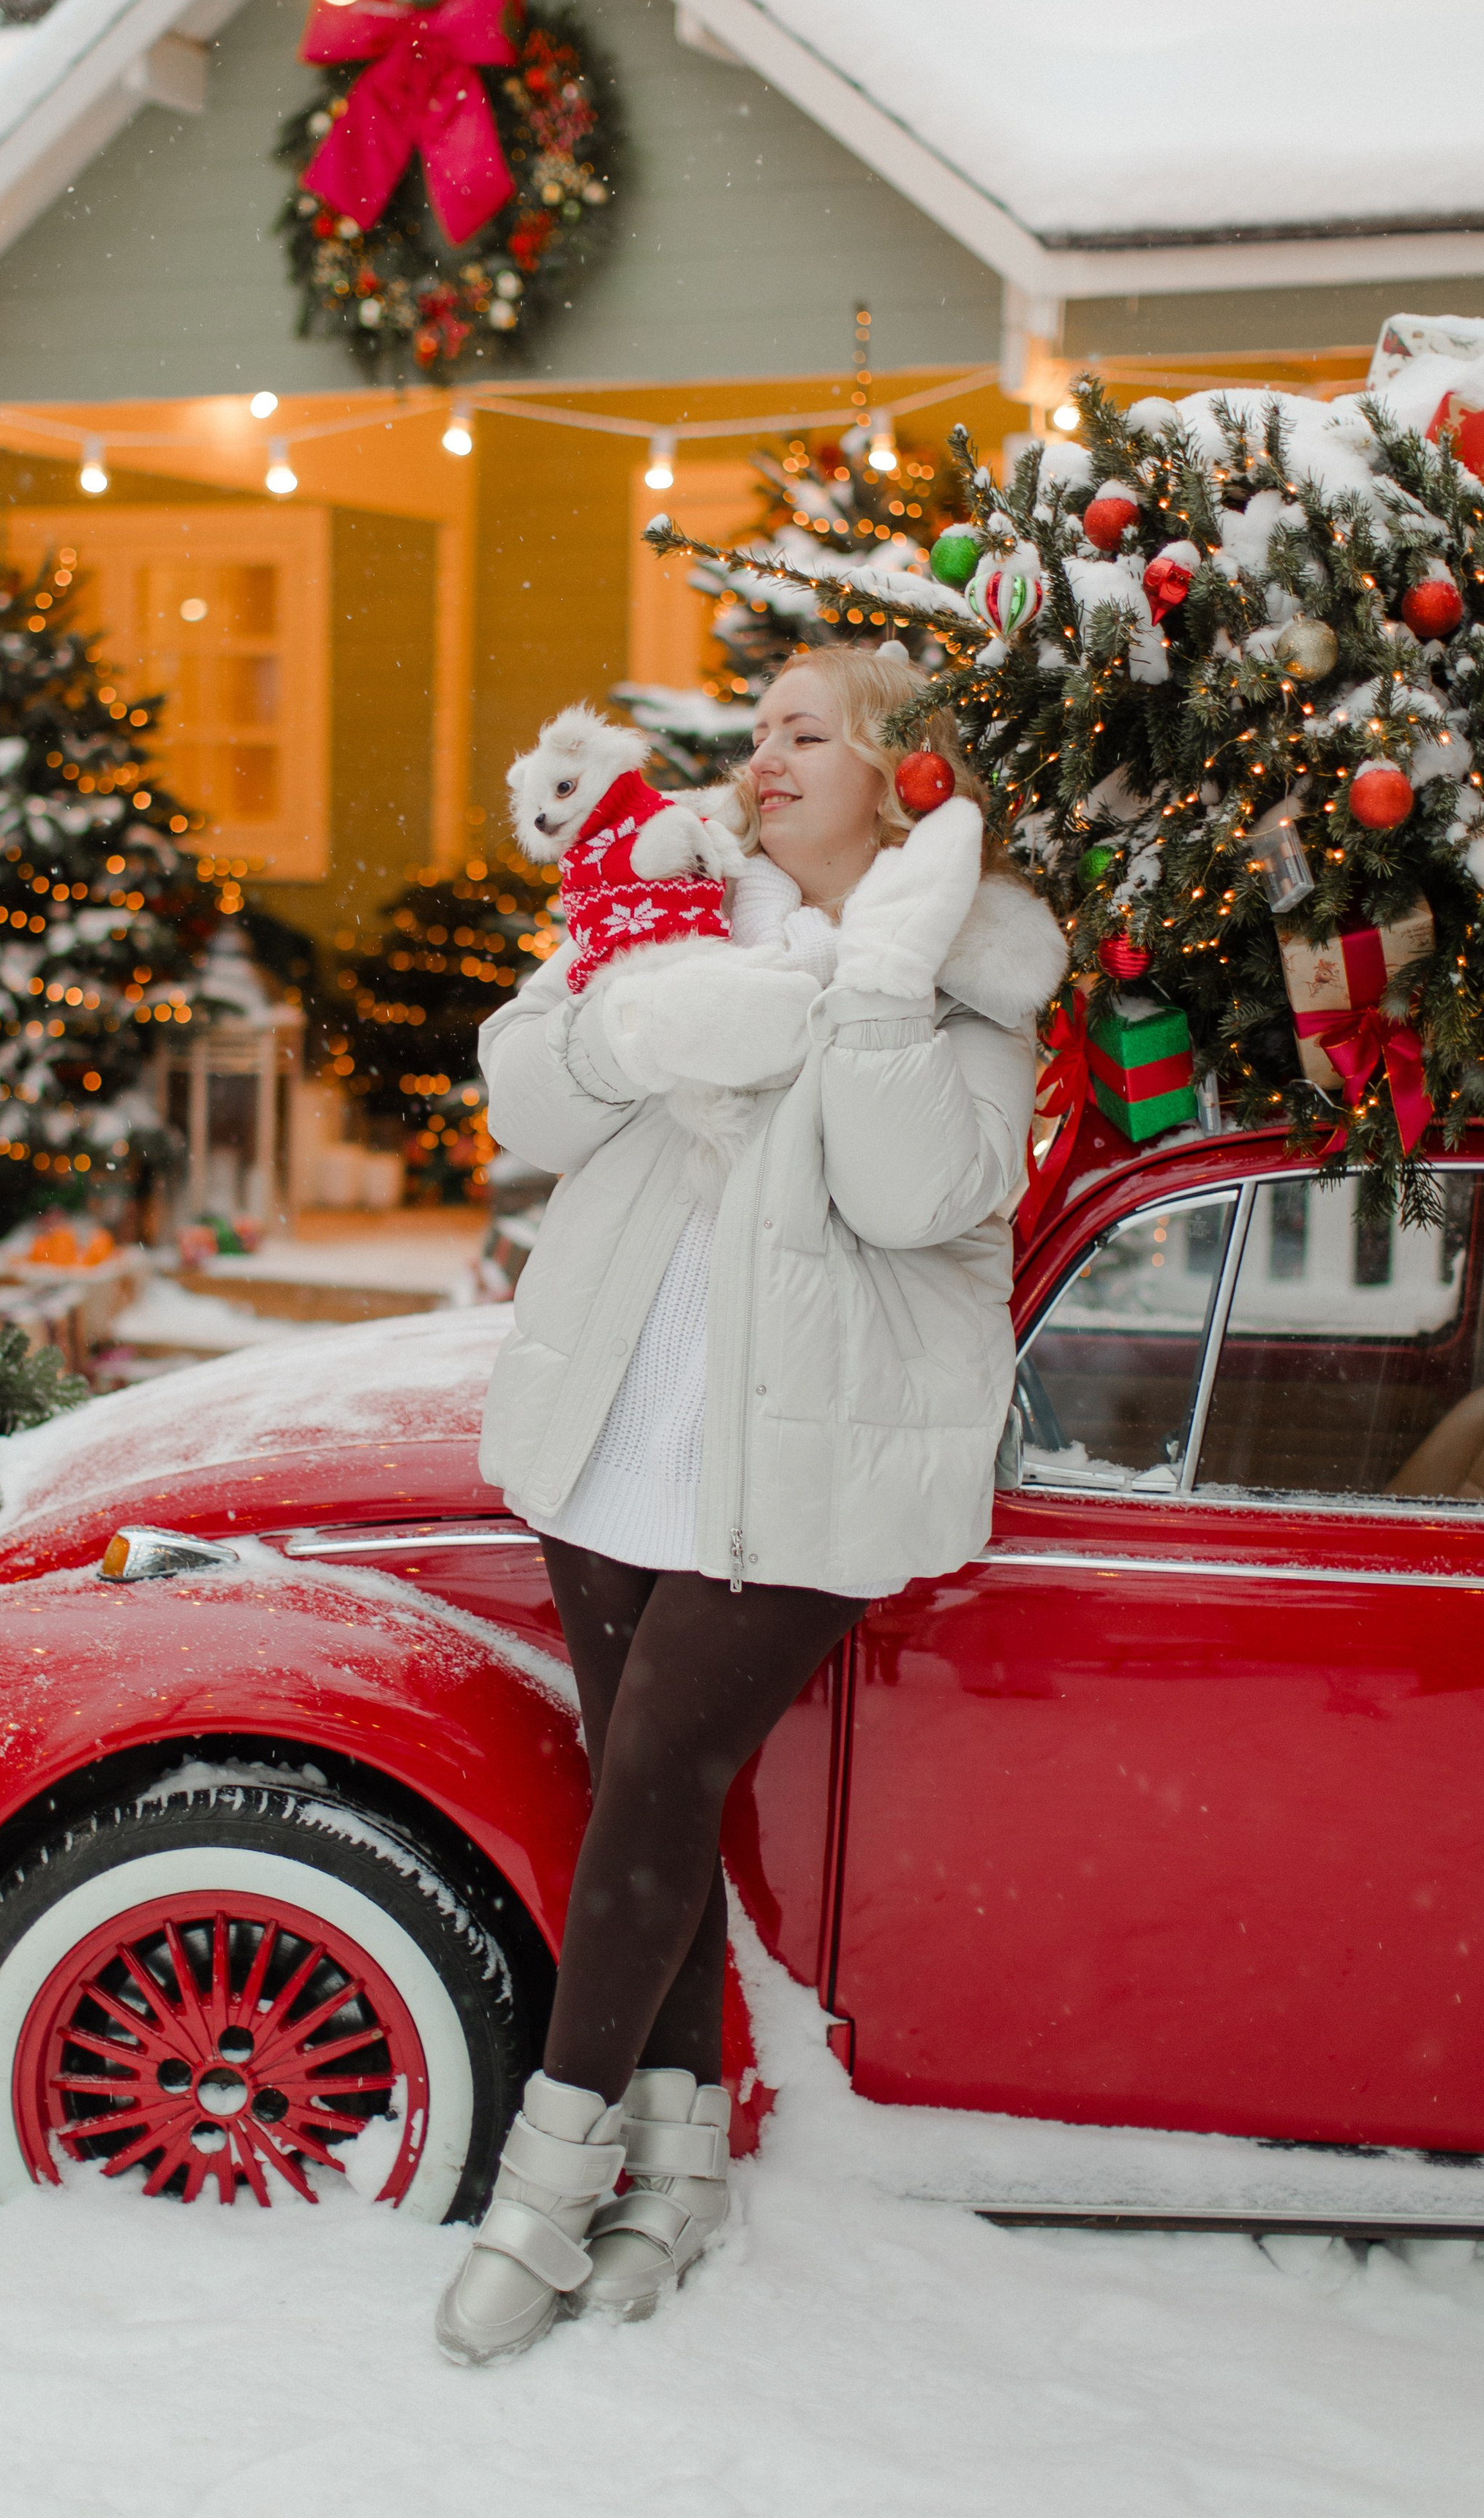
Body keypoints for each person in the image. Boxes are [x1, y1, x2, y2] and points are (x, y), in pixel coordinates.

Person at [434, 643, 1068, 2367]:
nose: (762, 758)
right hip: (620, 1415)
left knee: (650, 1778)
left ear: (895, 777)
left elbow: (907, 1189)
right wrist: (643, 1007)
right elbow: (530, 1092)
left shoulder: (967, 990)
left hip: (801, 1456)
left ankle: (546, 2187)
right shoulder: (671, 906)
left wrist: (864, 986)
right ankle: (680, 2174)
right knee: (659, 1794)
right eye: (757, 731)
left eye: (807, 734)